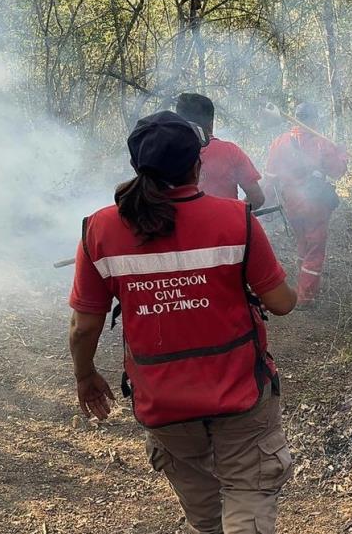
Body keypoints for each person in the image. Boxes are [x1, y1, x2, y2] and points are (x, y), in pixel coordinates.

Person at [67, 110, 297, 534]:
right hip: (240, 393)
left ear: (138, 165)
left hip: (164, 401)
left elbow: (84, 327)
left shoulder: (99, 229)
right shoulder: (235, 220)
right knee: (247, 503)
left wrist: (84, 376)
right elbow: (281, 303)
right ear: (198, 164)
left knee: (204, 517)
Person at [265, 102, 348, 308]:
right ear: (314, 120)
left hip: (291, 204)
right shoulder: (322, 143)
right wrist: (341, 154)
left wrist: (269, 202)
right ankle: (305, 297)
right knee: (315, 249)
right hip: (315, 205)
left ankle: (303, 286)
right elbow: (337, 171)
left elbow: (271, 177)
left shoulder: (280, 142)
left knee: (303, 243)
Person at [177, 93, 266, 209]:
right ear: (211, 123)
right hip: (227, 225)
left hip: (184, 225)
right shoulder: (231, 151)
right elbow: (257, 198)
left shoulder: (168, 154)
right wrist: (234, 212)